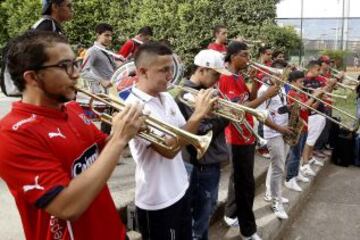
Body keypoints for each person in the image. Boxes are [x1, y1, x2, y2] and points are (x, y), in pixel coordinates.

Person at [0, 30, 145, 240]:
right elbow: (67, 206)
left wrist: (126, 130)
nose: (76, 73)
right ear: (32, 77)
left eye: (75, 63)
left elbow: (102, 154)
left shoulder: (74, 109)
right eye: (64, 66)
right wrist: (120, 138)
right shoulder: (13, 134)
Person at [126, 42, 216, 240]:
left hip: (180, 188)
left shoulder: (165, 96)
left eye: (171, 69)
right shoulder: (133, 107)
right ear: (142, 71)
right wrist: (198, 114)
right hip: (158, 200)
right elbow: (170, 149)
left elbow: (183, 133)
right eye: (163, 70)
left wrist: (203, 114)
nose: (170, 75)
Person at [219, 41, 279, 240]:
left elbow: (248, 98)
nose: (248, 59)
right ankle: (248, 230)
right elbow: (241, 109)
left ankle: (230, 214)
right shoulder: (226, 79)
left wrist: (256, 85)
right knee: (246, 184)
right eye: (244, 55)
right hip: (236, 138)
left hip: (246, 134)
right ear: (233, 56)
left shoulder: (237, 77)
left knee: (240, 179)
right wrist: (267, 96)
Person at [176, 49, 231, 240]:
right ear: (202, 70)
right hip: (200, 163)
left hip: (209, 161)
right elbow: (201, 131)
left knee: (207, 208)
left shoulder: (205, 92)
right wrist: (225, 117)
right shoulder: (187, 94)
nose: (217, 79)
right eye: (215, 74)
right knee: (201, 212)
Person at [258, 60, 294, 219]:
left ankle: (272, 193)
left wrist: (290, 109)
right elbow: (261, 116)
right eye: (280, 75)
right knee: (279, 168)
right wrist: (280, 129)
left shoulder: (280, 89)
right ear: (271, 74)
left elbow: (278, 109)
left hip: (284, 130)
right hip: (274, 133)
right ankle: (275, 202)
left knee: (277, 165)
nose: (283, 78)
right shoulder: (264, 90)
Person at [284, 71, 323, 192]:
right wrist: (313, 96)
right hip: (296, 127)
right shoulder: (291, 93)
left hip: (305, 126)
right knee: (295, 154)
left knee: (300, 152)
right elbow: (303, 107)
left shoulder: (301, 93)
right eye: (300, 82)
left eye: (303, 81)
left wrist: (319, 97)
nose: (302, 84)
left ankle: (296, 173)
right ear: (293, 82)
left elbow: (311, 108)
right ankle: (290, 179)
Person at [301, 60, 336, 177]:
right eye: (317, 69)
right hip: (312, 114)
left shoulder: (317, 80)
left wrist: (329, 87)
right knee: (309, 140)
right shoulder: (304, 82)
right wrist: (322, 93)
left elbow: (323, 95)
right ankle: (304, 163)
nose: (320, 72)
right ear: (311, 69)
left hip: (320, 112)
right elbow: (309, 103)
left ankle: (310, 158)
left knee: (314, 139)